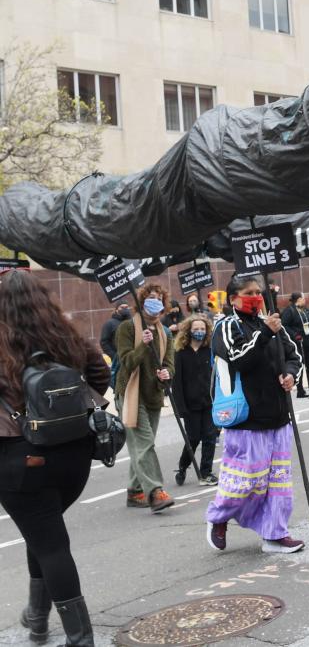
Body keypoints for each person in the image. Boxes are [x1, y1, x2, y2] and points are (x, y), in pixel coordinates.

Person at [0, 270, 108, 647]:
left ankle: (80, 639)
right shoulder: (66, 334)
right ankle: (37, 621)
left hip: (20, 459)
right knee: (44, 536)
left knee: (50, 544)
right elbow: (100, 373)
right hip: (75, 454)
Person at [205, 275, 305, 554]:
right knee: (245, 481)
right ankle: (220, 517)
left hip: (277, 415)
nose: (256, 297)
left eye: (258, 292)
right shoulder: (226, 326)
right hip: (247, 419)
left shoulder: (271, 323)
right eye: (249, 292)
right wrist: (265, 333)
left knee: (278, 484)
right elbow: (239, 359)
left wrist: (290, 374)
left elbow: (294, 354)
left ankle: (275, 534)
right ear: (234, 298)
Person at [115, 282, 176, 513]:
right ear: (141, 301)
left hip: (153, 394)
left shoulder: (166, 332)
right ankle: (155, 492)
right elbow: (127, 362)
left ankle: (135, 492)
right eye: (151, 297)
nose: (155, 301)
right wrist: (144, 344)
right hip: (130, 393)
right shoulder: (127, 328)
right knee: (145, 443)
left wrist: (165, 374)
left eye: (159, 298)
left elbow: (170, 364)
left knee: (141, 445)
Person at [171, 315, 219, 487]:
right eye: (196, 329)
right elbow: (177, 383)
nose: (199, 332)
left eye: (202, 329)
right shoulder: (181, 353)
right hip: (190, 404)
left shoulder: (210, 351)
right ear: (188, 331)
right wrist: (180, 407)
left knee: (210, 437)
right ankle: (183, 465)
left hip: (209, 403)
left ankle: (206, 472)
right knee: (193, 438)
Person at [281, 293, 309, 398]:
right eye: (303, 298)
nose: (305, 300)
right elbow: (284, 326)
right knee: (300, 365)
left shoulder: (302, 309)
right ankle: (300, 391)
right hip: (298, 343)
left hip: (308, 342)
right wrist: (295, 335)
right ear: (299, 299)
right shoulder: (289, 311)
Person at [99, 302, 131, 389]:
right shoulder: (109, 324)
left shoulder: (131, 322)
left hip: (131, 359)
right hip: (118, 360)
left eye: (127, 307)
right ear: (116, 309)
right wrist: (114, 356)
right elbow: (104, 342)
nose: (125, 309)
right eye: (122, 307)